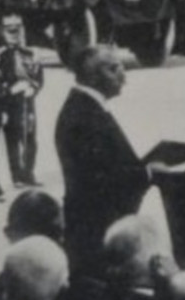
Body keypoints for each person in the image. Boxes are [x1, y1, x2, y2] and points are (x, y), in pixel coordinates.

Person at [54, 45, 165, 276]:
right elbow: (101, 177)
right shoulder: (84, 115)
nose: (123, 75)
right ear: (93, 75)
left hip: (95, 225)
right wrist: (147, 173)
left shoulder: (86, 107)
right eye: (114, 68)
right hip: (96, 229)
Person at [0, 16, 44, 186]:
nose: (14, 34)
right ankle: (16, 175)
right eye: (10, 31)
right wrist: (9, 90)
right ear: (2, 32)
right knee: (13, 138)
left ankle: (29, 173)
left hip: (27, 100)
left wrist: (34, 87)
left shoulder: (30, 53)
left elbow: (38, 76)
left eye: (17, 30)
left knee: (30, 137)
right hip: (10, 102)